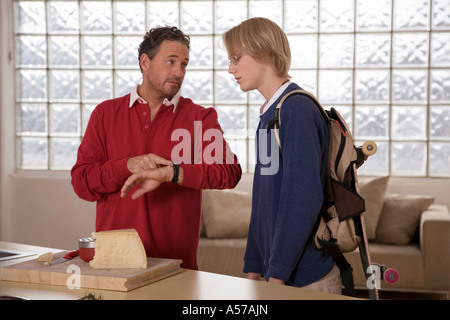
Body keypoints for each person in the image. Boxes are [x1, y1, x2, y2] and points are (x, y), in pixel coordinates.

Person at [71, 26, 242, 270]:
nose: (178, 72)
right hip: (114, 266)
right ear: (145, 62)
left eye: (183, 64)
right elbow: (82, 184)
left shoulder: (200, 118)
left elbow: (229, 173)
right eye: (170, 62)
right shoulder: (104, 114)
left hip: (176, 267)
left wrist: (173, 173)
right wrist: (126, 166)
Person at [222, 17, 342, 294]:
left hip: (304, 281)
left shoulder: (296, 109)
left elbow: (302, 199)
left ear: (263, 50)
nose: (231, 69)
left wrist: (277, 275)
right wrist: (254, 264)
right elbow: (264, 200)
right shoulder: (270, 115)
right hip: (277, 277)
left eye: (236, 58)